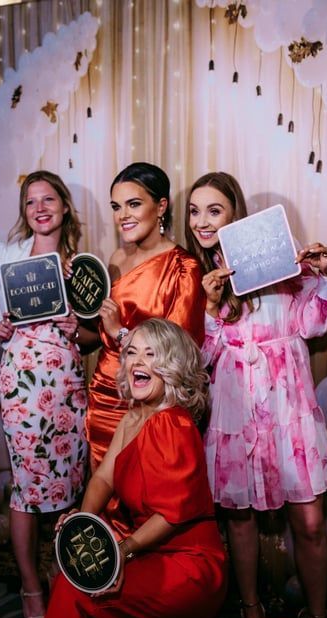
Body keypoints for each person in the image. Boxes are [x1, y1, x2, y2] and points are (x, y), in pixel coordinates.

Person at [0, 318, 309, 618]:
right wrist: (83, 521)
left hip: (190, 566)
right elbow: (102, 477)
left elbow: (172, 515)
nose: (137, 361)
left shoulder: (173, 425)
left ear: (172, 368)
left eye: (151, 355)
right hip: (152, 550)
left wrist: (121, 551)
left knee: (78, 594)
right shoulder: (133, 416)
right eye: (133, 351)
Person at [185, 172, 327, 618]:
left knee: (309, 521)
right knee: (239, 520)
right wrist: (211, 308)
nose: (201, 221)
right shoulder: (198, 279)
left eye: (213, 210)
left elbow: (316, 322)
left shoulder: (279, 256)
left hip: (287, 407)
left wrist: (322, 273)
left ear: (234, 212)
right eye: (193, 211)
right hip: (235, 407)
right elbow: (198, 359)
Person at [0, 170, 89, 618]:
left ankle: (64, 578)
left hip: (66, 385)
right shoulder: (6, 257)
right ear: (24, 212)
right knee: (27, 488)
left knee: (66, 488)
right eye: (31, 201)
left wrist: (78, 325)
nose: (40, 208)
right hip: (22, 385)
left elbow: (96, 334)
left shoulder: (80, 264)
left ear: (63, 206)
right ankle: (31, 586)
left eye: (48, 199)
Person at [86, 162, 205, 486]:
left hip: (151, 402)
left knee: (145, 491)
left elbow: (180, 352)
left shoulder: (184, 267)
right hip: (103, 395)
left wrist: (119, 333)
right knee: (102, 488)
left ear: (161, 206)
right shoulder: (114, 260)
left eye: (134, 204)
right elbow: (96, 334)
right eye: (116, 206)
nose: (123, 214)